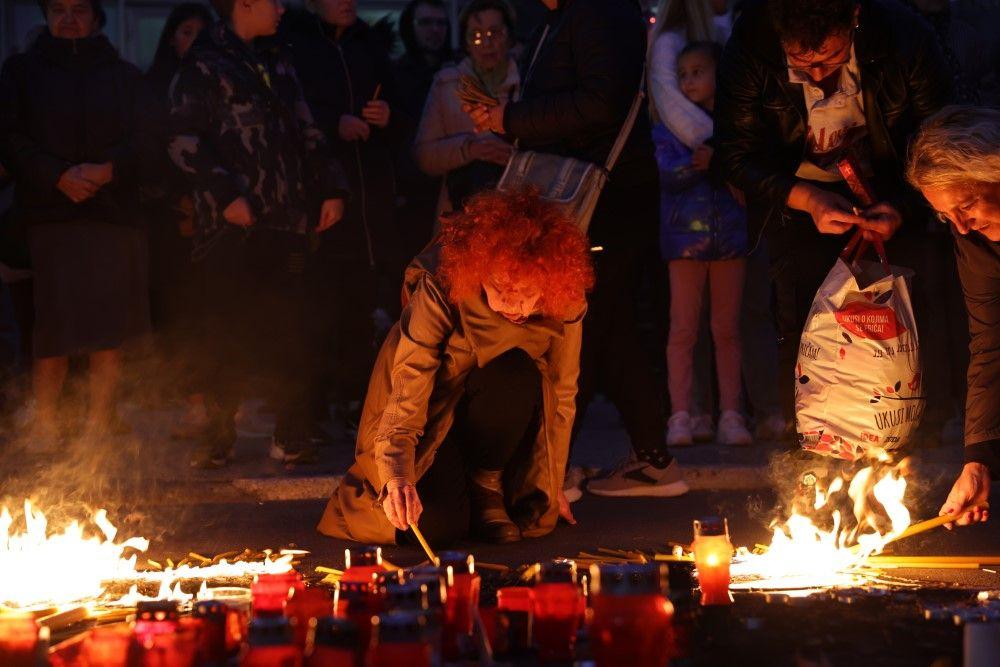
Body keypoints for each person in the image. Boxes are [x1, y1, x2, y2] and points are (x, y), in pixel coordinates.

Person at [465, 0, 688, 499]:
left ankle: (553, 468)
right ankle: (651, 459)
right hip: (599, 191)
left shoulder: (595, 13)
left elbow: (600, 102)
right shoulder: (569, 15)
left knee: (584, 325)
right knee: (609, 327)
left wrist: (513, 118)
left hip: (602, 194)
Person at [714, 0, 951, 426]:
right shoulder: (754, 41)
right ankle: (811, 452)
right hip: (798, 200)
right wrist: (807, 199)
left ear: (854, 18)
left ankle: (902, 449)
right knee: (805, 325)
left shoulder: (904, 38)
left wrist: (901, 205)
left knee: (903, 321)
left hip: (896, 186)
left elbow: (940, 136)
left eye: (829, 58)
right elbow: (734, 154)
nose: (817, 75)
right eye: (801, 63)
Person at [317, 189, 593, 545]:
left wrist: (551, 483)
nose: (516, 306)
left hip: (494, 416)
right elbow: (408, 381)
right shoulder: (442, 284)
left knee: (517, 371)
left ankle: (486, 485)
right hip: (429, 414)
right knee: (436, 529)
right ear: (480, 270)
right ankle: (452, 486)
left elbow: (563, 392)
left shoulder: (565, 299)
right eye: (501, 290)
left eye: (529, 294)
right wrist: (398, 475)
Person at [167, 0, 348, 468]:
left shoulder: (277, 58)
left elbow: (307, 127)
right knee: (224, 331)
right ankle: (218, 434)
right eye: (273, 0)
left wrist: (329, 188)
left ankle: (290, 433)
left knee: (293, 327)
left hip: (286, 221)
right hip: (232, 227)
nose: (283, 7)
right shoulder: (204, 63)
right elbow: (182, 138)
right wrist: (227, 195)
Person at [0, 0, 153, 448]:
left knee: (108, 327)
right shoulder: (22, 72)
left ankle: (100, 422)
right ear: (46, 15)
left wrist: (109, 170)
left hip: (111, 216)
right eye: (59, 9)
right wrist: (56, 175)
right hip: (50, 215)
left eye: (79, 9)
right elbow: (9, 138)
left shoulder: (123, 76)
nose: (69, 18)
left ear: (96, 16)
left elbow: (147, 139)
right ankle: (47, 421)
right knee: (54, 325)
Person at [284, 0, 400, 436]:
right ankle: (310, 409)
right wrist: (336, 122)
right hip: (321, 198)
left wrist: (387, 115)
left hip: (370, 199)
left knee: (360, 306)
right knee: (317, 307)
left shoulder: (370, 46)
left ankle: (357, 402)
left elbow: (405, 114)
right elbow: (294, 114)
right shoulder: (297, 47)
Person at [904, 106, 999, 528]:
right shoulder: (975, 238)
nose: (960, 227)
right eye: (946, 216)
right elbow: (990, 340)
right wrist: (978, 457)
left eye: (967, 204)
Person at [655, 42, 751, 447]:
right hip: (684, 240)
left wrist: (721, 160)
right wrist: (695, 164)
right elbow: (664, 169)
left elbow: (747, 170)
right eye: (683, 74)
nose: (690, 80)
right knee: (683, 330)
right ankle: (683, 414)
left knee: (726, 329)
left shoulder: (733, 126)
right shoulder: (672, 127)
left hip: (730, 238)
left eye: (699, 71)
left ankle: (730, 413)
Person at [144, 2, 214, 440]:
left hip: (215, 211)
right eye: (186, 32)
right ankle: (190, 402)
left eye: (201, 33)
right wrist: (175, 199)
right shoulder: (154, 86)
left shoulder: (219, 81)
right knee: (174, 311)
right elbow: (150, 148)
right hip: (167, 217)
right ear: (172, 36)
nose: (194, 42)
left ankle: (212, 402)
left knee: (209, 310)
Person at [414, 0, 518, 214]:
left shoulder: (526, 81)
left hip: (516, 206)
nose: (487, 43)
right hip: (463, 210)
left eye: (495, 33)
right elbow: (424, 155)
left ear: (508, 36)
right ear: (466, 41)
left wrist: (515, 156)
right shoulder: (448, 84)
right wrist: (470, 148)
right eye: (477, 35)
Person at [393, 0, 454, 262]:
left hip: (451, 180)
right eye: (426, 22)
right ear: (411, 27)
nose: (435, 30)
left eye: (440, 23)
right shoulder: (395, 75)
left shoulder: (457, 73)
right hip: (411, 188)